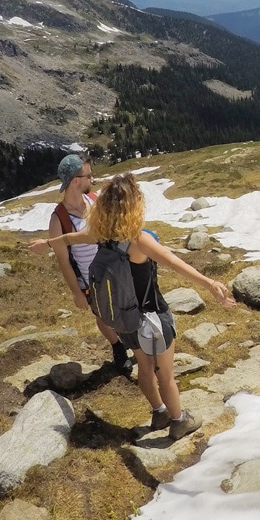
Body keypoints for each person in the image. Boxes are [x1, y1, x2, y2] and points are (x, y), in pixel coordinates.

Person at [31, 172, 236, 440]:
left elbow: (69, 239)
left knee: (144, 367)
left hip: (126, 320)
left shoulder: (100, 234)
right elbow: (173, 262)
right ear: (134, 206)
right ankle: (178, 421)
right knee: (166, 375)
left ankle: (159, 411)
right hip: (154, 318)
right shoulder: (138, 240)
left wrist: (45, 243)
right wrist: (210, 284)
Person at [48, 153, 132, 374]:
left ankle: (133, 342)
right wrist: (76, 292)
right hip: (90, 279)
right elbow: (64, 261)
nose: (92, 180)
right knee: (102, 315)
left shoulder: (94, 201)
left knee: (127, 306)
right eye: (88, 175)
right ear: (76, 180)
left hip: (115, 269)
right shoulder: (58, 220)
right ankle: (118, 347)